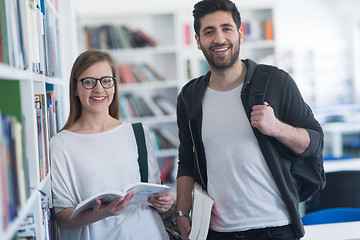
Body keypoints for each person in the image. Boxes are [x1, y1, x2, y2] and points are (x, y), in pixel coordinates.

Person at [175, 0, 324, 239]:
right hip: (218, 231)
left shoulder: (276, 82)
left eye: (227, 28)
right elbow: (186, 159)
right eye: (209, 31)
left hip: (277, 227)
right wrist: (182, 211)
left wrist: (277, 128)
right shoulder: (189, 96)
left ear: (240, 33)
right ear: (197, 40)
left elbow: (315, 142)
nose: (219, 39)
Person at [50, 49, 174, 240]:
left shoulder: (137, 133)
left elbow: (154, 194)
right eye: (89, 81)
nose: (99, 89)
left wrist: (164, 203)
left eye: (106, 80)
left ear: (115, 86)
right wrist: (99, 214)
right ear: (75, 88)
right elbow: (62, 218)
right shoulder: (60, 144)